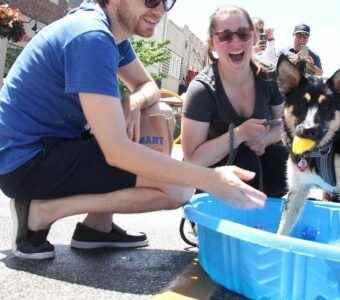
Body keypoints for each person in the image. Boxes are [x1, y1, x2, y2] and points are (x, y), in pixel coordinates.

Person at [0, 0, 266, 260]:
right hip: (25, 163)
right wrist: (209, 179)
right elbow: (117, 152)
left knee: (149, 113)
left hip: (51, 146)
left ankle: (97, 228)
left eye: (166, 1)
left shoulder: (110, 34)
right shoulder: (91, 37)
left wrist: (132, 102)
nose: (160, 9)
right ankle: (43, 212)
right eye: (151, 0)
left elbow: (147, 85)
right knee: (180, 190)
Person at [181, 5, 288, 197]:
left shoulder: (269, 78)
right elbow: (191, 161)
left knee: (278, 157)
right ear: (212, 43)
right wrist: (239, 135)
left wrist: (266, 138)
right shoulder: (202, 90)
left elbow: (285, 123)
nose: (236, 42)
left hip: (262, 177)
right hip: (215, 183)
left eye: (243, 34)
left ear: (254, 37)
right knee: (244, 159)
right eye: (225, 36)